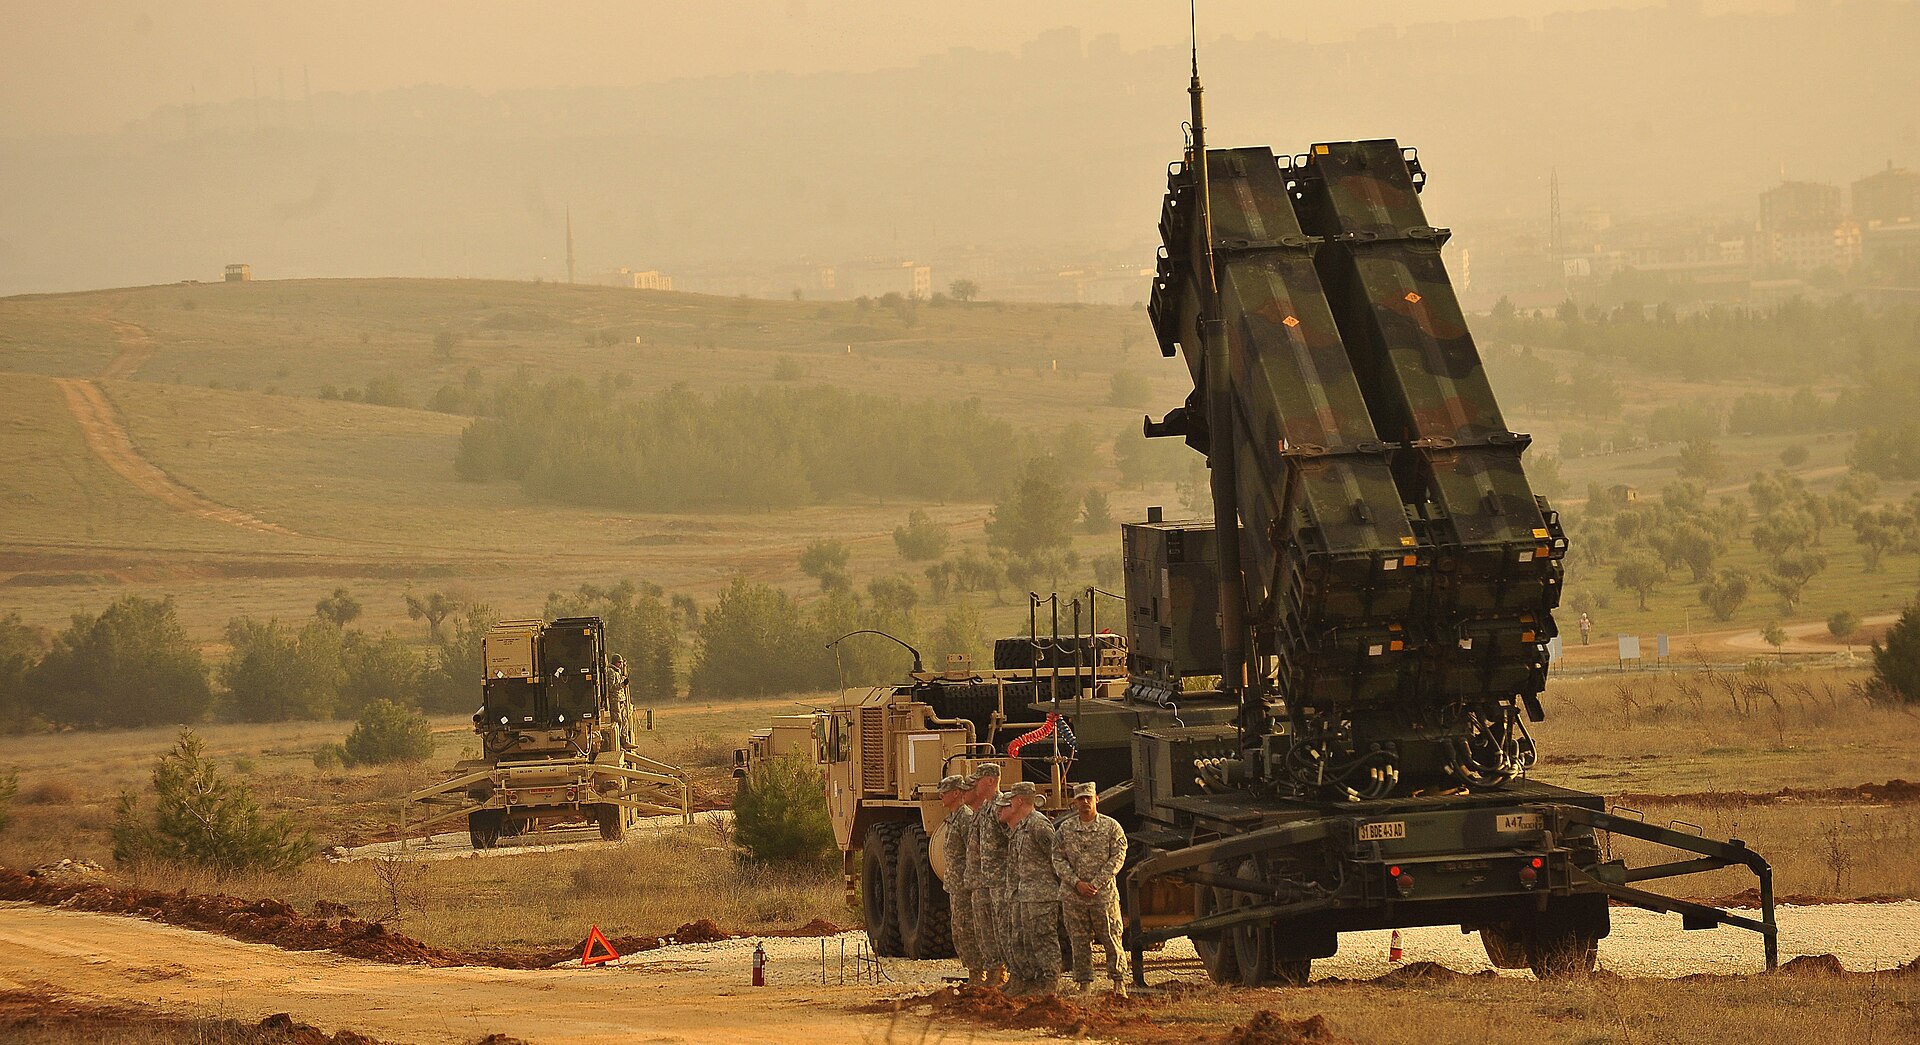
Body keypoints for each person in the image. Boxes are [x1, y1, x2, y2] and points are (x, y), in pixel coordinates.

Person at [1051, 781, 1129, 996]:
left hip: (1102, 895)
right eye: (1080, 798)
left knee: (1112, 938)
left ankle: (1119, 982)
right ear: (1074, 802)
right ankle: (1084, 983)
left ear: (1097, 799)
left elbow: (1118, 856)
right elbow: (1057, 858)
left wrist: (1096, 883)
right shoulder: (1065, 829)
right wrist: (1076, 882)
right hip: (1074, 896)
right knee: (1079, 940)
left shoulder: (1111, 827)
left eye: (1088, 797)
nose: (1085, 802)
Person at [999, 780, 1063, 996]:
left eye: (1010, 800)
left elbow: (1056, 858)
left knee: (1043, 939)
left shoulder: (1039, 825)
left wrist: (1058, 890)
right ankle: (1026, 981)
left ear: (1019, 801)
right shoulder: (1021, 827)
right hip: (1024, 894)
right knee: (1024, 939)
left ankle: (1048, 983)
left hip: (1042, 895)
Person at [964, 763, 1008, 986]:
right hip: (983, 880)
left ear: (990, 780)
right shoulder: (983, 810)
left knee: (1001, 928)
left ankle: (1002, 973)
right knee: (986, 929)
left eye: (979, 779)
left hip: (999, 881)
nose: (975, 784)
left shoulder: (1002, 807)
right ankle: (992, 971)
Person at [936, 774, 983, 983]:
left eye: (944, 792)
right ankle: (973, 971)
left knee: (968, 928)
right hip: (956, 884)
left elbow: (973, 851)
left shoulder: (965, 818)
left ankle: (978, 972)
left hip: (965, 886)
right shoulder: (954, 818)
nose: (941, 797)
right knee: (960, 929)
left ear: (956, 793)